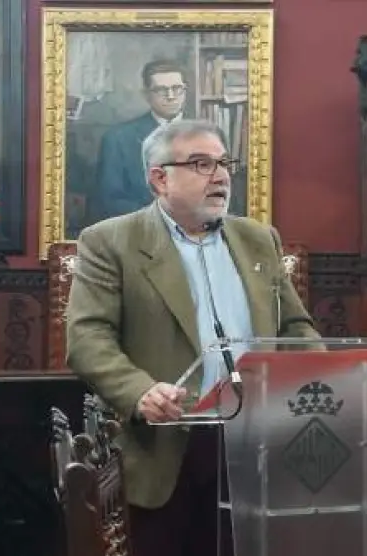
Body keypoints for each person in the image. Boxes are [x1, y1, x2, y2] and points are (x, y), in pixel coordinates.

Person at [65, 118, 321, 556]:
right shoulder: (111, 241)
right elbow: (88, 337)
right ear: (159, 178)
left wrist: (321, 374)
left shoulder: (259, 239)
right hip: (166, 441)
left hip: (254, 438)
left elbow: (295, 328)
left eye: (224, 163)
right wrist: (139, 391)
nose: (220, 176)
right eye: (202, 164)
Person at [94, 59, 189, 221]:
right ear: (146, 95)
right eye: (161, 90)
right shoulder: (118, 139)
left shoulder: (206, 135)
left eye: (177, 88)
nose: (171, 96)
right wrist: (164, 219)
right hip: (140, 227)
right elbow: (110, 200)